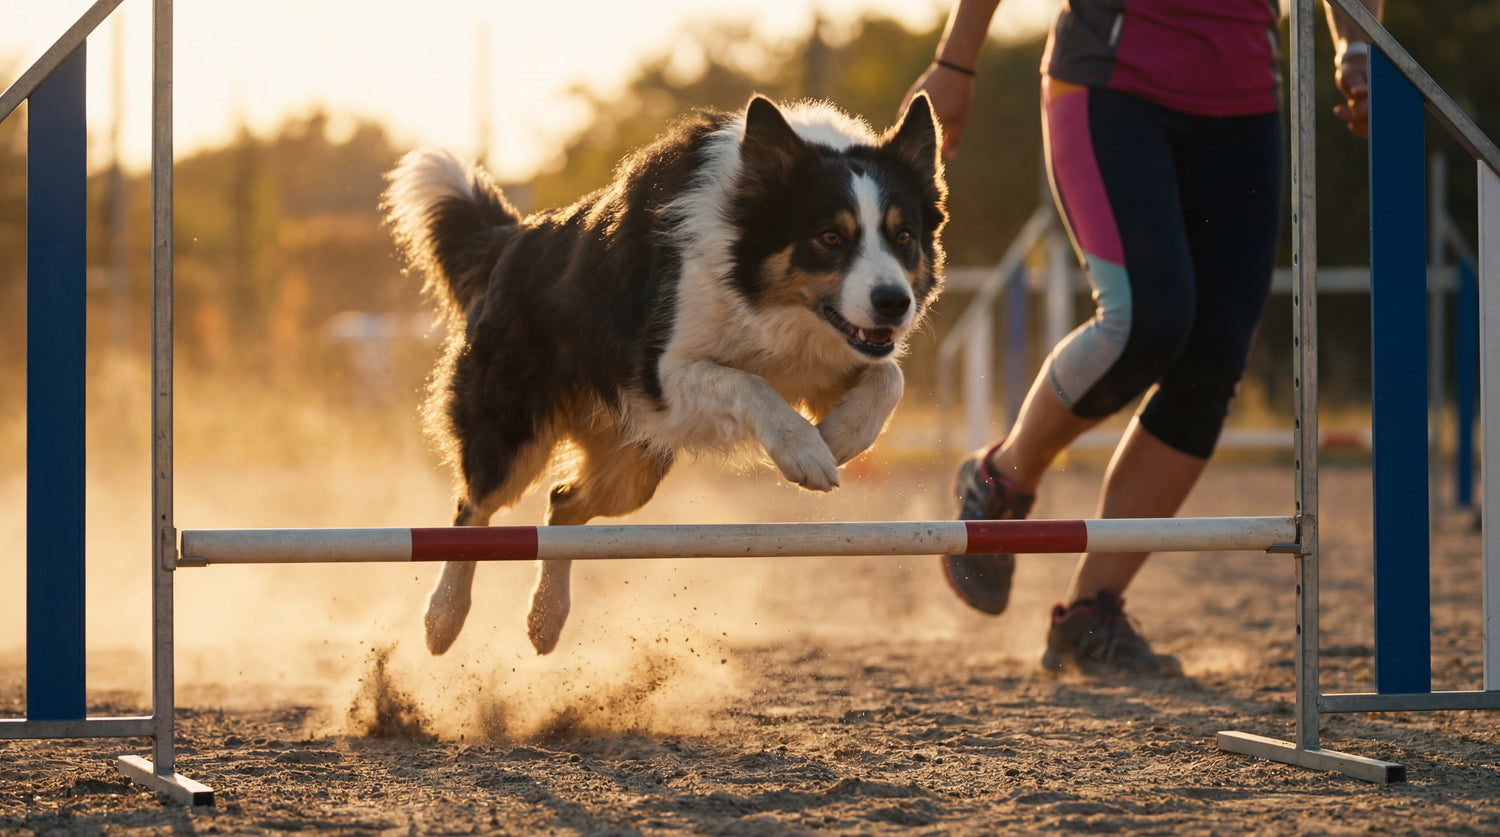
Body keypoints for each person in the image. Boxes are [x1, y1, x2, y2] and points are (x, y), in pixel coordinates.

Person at [904, 0, 1382, 676]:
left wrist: (1358, 51)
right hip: (1111, 80)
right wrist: (957, 61)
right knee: (1148, 319)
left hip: (1244, 101)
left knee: (1213, 360)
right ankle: (1002, 480)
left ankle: (1092, 612)